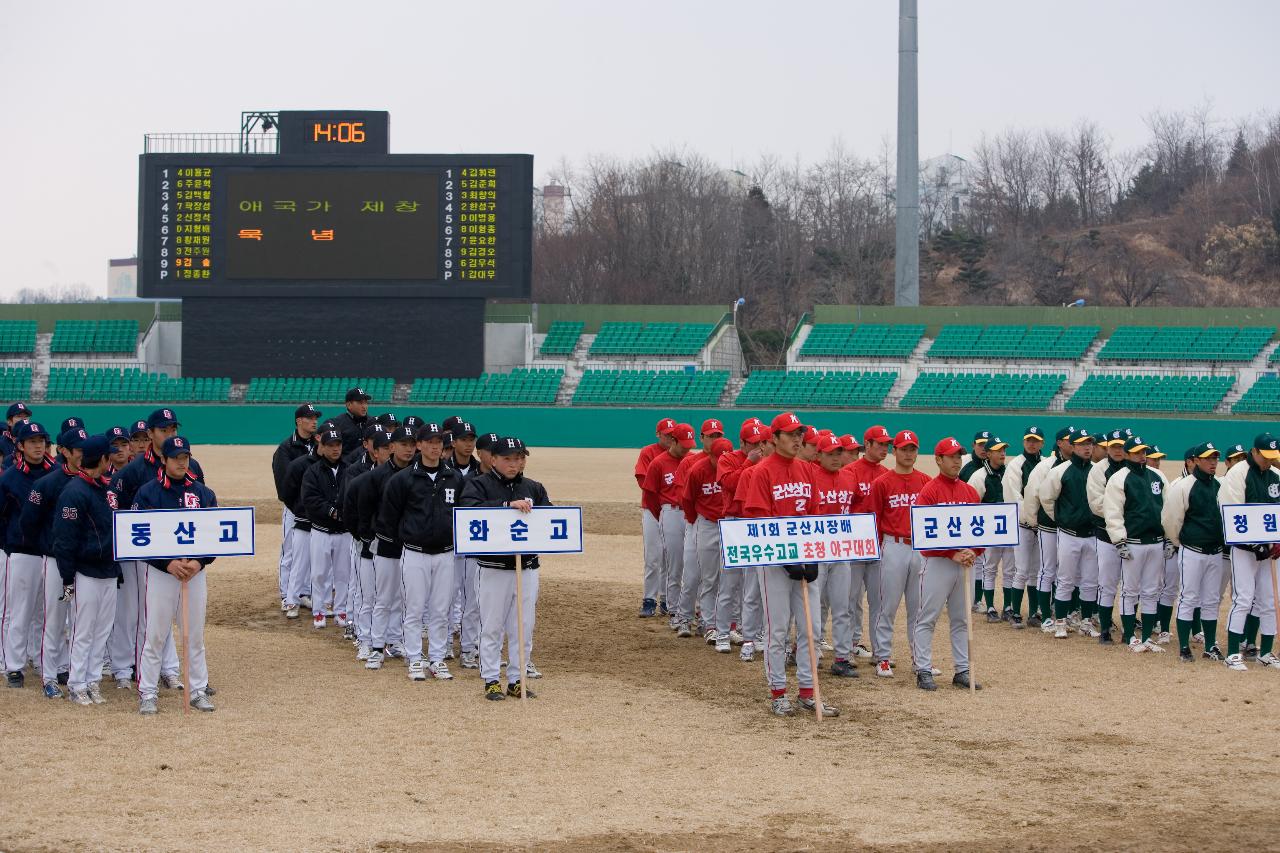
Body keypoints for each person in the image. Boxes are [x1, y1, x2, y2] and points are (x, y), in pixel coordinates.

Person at [739, 413, 836, 718]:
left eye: (800, 434)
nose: (798, 439)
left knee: (811, 628)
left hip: (805, 558)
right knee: (778, 628)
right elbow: (758, 519)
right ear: (774, 438)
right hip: (773, 561)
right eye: (792, 434)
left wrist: (812, 557)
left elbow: (815, 515)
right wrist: (785, 558)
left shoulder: (807, 469)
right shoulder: (762, 472)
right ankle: (778, 692)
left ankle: (808, 692)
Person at [107, 408, 200, 685]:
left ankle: (168, 669)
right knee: (134, 611)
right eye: (164, 430)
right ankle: (124, 668)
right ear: (150, 434)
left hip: (177, 550)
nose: (169, 434)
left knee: (165, 613)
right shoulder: (134, 470)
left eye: (173, 429)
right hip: (140, 552)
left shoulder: (191, 467)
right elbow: (115, 509)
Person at [460, 436, 550, 700]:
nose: (515, 464)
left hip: (528, 568)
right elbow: (467, 511)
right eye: (508, 459)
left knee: (523, 626)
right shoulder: (478, 485)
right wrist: (504, 507)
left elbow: (550, 518)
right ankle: (490, 679)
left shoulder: (534, 487)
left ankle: (516, 678)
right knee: (491, 625)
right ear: (494, 459)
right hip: (493, 568)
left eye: (519, 458)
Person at [134, 436, 219, 714]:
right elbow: (137, 537)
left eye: (185, 457)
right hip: (162, 574)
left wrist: (199, 562)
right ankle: (147, 692)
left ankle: (198, 690)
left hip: (194, 575)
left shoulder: (203, 494)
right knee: (156, 634)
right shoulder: (148, 493)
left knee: (194, 635)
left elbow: (216, 536)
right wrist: (167, 563)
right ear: (164, 459)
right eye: (176, 457)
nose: (182, 462)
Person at [378, 423, 464, 681]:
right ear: (419, 444)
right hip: (414, 552)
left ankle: (437, 658)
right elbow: (389, 518)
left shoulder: (454, 477)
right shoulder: (403, 479)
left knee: (441, 609)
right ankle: (415, 658)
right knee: (413, 608)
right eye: (430, 441)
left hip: (446, 553)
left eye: (439, 442)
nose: (435, 446)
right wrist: (406, 538)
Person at [20, 427, 87, 697]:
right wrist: (49, 546)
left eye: (85, 449)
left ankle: (71, 670)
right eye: (78, 450)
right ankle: (49, 676)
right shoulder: (47, 483)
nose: (83, 455)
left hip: (84, 564)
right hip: (56, 561)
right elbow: (28, 522)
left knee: (79, 620)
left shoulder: (93, 482)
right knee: (55, 618)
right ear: (63, 452)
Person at [53, 435, 119, 706]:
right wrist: (68, 577)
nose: (113, 459)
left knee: (102, 631)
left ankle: (92, 681)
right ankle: (77, 684)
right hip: (85, 572)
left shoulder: (106, 488)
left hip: (108, 570)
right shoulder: (74, 491)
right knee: (82, 630)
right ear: (102, 459)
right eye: (109, 455)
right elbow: (64, 540)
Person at [914, 437, 983, 691]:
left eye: (959, 456)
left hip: (965, 562)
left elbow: (982, 529)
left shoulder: (969, 491)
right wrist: (950, 552)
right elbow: (922, 533)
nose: (956, 460)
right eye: (951, 456)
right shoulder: (929, 491)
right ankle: (923, 669)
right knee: (927, 617)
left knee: (962, 618)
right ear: (938, 459)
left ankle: (963, 669)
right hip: (938, 563)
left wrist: (974, 551)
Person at [870, 429, 932, 679]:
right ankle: (882, 657)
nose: (908, 453)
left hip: (918, 547)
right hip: (892, 545)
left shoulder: (926, 481)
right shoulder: (882, 482)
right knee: (888, 605)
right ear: (894, 451)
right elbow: (874, 519)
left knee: (918, 609)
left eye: (912, 449)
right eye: (903, 448)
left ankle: (920, 660)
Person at [1217, 433, 1280, 671]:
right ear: (1254, 452)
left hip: (1271, 549)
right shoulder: (1238, 473)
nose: (1268, 461)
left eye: (1272, 457)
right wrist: (1254, 543)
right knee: (1243, 598)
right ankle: (1233, 653)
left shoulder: (1275, 475)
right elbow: (1231, 510)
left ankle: (1265, 652)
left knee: (1270, 599)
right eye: (1265, 457)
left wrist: (1276, 541)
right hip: (1244, 548)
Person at [0, 419, 53, 687]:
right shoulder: (10, 477)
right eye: (31, 441)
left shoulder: (55, 472)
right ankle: (14, 666)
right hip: (22, 552)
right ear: (19, 445)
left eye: (41, 441)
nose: (37, 446)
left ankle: (49, 664)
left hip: (50, 553)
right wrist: (9, 547)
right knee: (19, 611)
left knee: (48, 613)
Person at [1162, 442, 1225, 663]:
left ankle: (1210, 646)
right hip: (1192, 550)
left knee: (1210, 599)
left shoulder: (1219, 485)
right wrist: (1182, 542)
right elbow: (1171, 520)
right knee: (1188, 598)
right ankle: (1184, 647)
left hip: (1215, 551)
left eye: (1215, 458)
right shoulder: (1183, 486)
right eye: (1208, 458)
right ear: (1196, 460)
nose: (1213, 462)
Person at [1103, 435, 1167, 653]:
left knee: (1151, 590)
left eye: (1144, 452)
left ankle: (1147, 637)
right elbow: (1113, 512)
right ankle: (1130, 636)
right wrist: (1119, 541)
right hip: (1133, 542)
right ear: (1128, 454)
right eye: (1137, 452)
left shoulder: (1157, 476)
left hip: (1156, 542)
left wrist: (1168, 537)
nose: (1142, 455)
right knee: (1130, 590)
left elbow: (1166, 508)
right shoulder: (1120, 478)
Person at [716, 420, 771, 660]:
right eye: (753, 443)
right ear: (743, 443)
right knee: (729, 583)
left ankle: (754, 633)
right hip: (733, 523)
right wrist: (750, 462)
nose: (758, 447)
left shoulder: (768, 463)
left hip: (754, 525)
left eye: (762, 442)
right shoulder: (728, 458)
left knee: (754, 585)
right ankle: (722, 633)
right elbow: (728, 483)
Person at [364, 426, 417, 669]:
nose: (408, 448)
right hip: (386, 544)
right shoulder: (377, 475)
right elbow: (364, 510)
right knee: (383, 598)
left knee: (404, 599)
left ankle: (395, 640)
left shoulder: (419, 473)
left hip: (412, 546)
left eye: (412, 443)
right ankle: (376, 646)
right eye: (403, 444)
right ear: (391, 446)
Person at [1038, 430, 1099, 638]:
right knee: (1065, 579)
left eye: (1090, 443)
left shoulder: (1097, 471)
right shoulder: (1060, 470)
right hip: (1068, 534)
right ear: (1072, 447)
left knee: (1090, 581)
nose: (1087, 447)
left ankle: (1086, 622)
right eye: (1082, 444)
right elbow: (1046, 498)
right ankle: (1061, 623)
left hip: (1092, 534)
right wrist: (1061, 519)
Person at [811, 434, 859, 677]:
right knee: (814, 603)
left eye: (838, 453)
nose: (835, 458)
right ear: (818, 455)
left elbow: (857, 510)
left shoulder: (849, 477)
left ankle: (842, 656)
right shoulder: (809, 477)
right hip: (817, 548)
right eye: (829, 453)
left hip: (841, 549)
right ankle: (811, 649)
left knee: (843, 605)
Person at [673, 419, 723, 637]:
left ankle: (706, 619)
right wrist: (693, 521)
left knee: (716, 578)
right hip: (697, 522)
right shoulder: (691, 463)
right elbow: (685, 497)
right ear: (701, 438)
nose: (714, 439)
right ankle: (683, 617)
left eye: (718, 435)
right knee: (693, 574)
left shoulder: (726, 460)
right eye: (710, 435)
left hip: (720, 523)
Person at [845, 425, 892, 658]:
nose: (884, 448)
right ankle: (850, 643)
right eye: (880, 444)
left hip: (878, 544)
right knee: (850, 598)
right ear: (868, 444)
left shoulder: (886, 473)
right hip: (854, 543)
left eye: (886, 444)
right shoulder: (851, 471)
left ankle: (879, 650)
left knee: (878, 600)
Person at [682, 435, 731, 648]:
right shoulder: (698, 470)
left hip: (728, 525)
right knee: (709, 578)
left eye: (725, 459)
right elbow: (688, 500)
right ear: (710, 454)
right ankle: (709, 625)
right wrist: (697, 524)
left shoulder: (732, 470)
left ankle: (728, 626)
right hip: (707, 524)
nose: (721, 463)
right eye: (718, 458)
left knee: (729, 580)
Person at [642, 423, 695, 621]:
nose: (687, 449)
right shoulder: (658, 462)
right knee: (671, 562)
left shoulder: (692, 459)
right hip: (670, 512)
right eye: (684, 445)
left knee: (691, 562)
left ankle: (687, 606)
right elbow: (650, 496)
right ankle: (671, 607)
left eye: (690, 445)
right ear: (673, 441)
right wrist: (664, 516)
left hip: (688, 515)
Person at [1021, 427, 1073, 627]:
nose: (1073, 444)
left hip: (1071, 528)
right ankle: (1044, 614)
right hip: (1049, 525)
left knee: (1066, 572)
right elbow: (1032, 494)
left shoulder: (1082, 466)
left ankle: (1062, 612)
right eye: (1069, 441)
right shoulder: (1046, 466)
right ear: (1059, 443)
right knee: (1047, 569)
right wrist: (1034, 522)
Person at [302, 428, 350, 630]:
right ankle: (319, 610)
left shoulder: (349, 468)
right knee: (319, 573)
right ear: (321, 447)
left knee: (343, 574)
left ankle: (341, 610)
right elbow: (310, 499)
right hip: (320, 529)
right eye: (330, 445)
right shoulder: (313, 471)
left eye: (338, 445)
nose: (335, 449)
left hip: (344, 532)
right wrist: (331, 510)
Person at [1088, 428, 1131, 645]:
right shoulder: (1099, 470)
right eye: (1114, 446)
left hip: (1133, 536)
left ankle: (1128, 630)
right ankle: (1105, 628)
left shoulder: (1136, 469)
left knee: (1132, 585)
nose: (1118, 450)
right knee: (1107, 583)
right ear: (1107, 448)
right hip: (1106, 535)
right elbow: (1096, 504)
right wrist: (1124, 514)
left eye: (1122, 446)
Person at [446, 420, 483, 662]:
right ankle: (446, 643)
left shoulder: (481, 471)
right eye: (464, 440)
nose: (468, 444)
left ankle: (468, 648)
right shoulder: (441, 470)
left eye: (472, 440)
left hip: (471, 543)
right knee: (446, 598)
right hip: (446, 543)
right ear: (454, 442)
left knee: (472, 598)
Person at [1001, 426, 1044, 628]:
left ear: (1042, 443)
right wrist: (1030, 518)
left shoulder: (1045, 464)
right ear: (1023, 441)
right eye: (1029, 440)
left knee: (1036, 570)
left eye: (1035, 440)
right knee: (1022, 570)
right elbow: (1013, 496)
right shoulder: (1016, 464)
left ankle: (1034, 612)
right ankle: (1015, 612)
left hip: (1041, 526)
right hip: (1023, 524)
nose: (1032, 443)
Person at [966, 436, 1012, 623]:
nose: (1002, 453)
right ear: (989, 453)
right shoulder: (979, 476)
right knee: (989, 567)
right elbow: (971, 503)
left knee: (1010, 569)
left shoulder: (1009, 472)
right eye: (998, 450)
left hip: (1008, 528)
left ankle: (1008, 606)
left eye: (1004, 450)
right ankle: (991, 605)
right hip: (989, 529)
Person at [635, 418, 677, 616]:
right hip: (652, 509)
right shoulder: (648, 452)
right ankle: (649, 599)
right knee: (653, 556)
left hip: (673, 511)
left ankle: (667, 599)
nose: (669, 437)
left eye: (672, 434)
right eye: (666, 433)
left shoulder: (680, 455)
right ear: (658, 434)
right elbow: (644, 482)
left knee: (671, 557)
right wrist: (664, 499)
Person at [330, 387, 372, 456]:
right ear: (349, 405)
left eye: (365, 403)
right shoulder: (338, 423)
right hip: (346, 465)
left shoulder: (372, 422)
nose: (364, 406)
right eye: (360, 403)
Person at [0, 401, 33, 469]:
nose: (24, 419)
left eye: (26, 416)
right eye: (19, 416)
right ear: (9, 422)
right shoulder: (1, 443)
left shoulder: (35, 441)